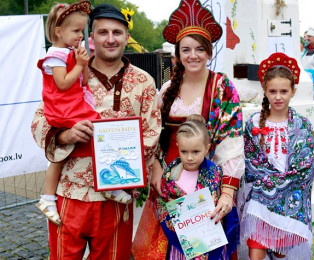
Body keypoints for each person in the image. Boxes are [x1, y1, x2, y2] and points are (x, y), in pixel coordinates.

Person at [31, 3, 161, 259]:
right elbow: (39, 121)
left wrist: (128, 169)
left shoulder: (144, 82)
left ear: (126, 37)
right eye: (103, 32)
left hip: (115, 198)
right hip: (70, 191)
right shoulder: (70, 71)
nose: (110, 39)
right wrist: (65, 136)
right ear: (91, 37)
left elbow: (152, 134)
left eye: (117, 32)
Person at [132, 0, 244, 258]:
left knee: (205, 249)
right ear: (178, 53)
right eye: (186, 49)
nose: (193, 55)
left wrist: (227, 192)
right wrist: (157, 168)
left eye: (199, 49)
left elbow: (232, 142)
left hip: (207, 186)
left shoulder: (222, 87)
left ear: (209, 51)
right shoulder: (167, 88)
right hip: (169, 185)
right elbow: (153, 135)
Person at [35, 1, 132, 227]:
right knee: (72, 147)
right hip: (63, 106)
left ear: (126, 36)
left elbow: (83, 79)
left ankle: (109, 184)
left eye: (82, 31)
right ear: (58, 31)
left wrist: (82, 62)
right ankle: (48, 197)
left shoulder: (69, 53)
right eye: (77, 31)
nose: (80, 35)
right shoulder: (55, 55)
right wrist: (63, 136)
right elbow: (62, 83)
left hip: (72, 102)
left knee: (95, 136)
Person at [238, 52, 314, 260]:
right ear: (264, 90)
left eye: (283, 91)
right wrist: (269, 185)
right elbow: (251, 164)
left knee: (281, 254)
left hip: (288, 202)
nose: (278, 96)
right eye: (273, 91)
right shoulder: (253, 124)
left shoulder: (302, 126)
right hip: (260, 202)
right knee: (256, 252)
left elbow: (305, 169)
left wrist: (278, 186)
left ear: (293, 91)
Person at [157, 114, 239, 259]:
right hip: (182, 245)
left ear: (207, 148)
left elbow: (224, 208)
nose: (189, 158)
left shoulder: (215, 174)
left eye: (196, 152)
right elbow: (162, 204)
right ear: (178, 147)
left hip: (209, 242)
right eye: (184, 152)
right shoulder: (170, 175)